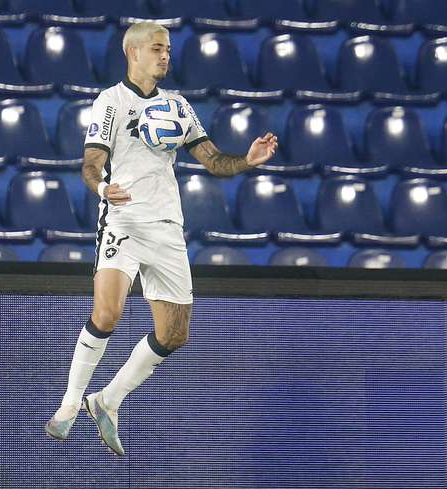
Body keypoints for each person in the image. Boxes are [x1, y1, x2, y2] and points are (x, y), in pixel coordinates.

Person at [45, 21, 278, 456]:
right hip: (123, 220)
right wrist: (102, 190)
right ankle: (70, 405)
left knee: (174, 334)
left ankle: (107, 400)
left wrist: (247, 160)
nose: (165, 56)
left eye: (168, 49)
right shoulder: (111, 102)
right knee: (108, 313)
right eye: (157, 49)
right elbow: (91, 164)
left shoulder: (178, 105)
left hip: (167, 227)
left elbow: (211, 159)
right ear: (132, 52)